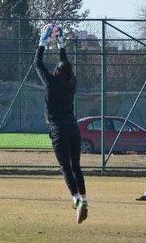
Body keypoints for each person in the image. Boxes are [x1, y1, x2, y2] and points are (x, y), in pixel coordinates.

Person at [34, 24, 88, 224]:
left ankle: (76, 199)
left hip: (58, 128)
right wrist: (61, 44)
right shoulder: (71, 82)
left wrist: (42, 42)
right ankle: (84, 199)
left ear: (56, 71)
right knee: (77, 166)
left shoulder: (52, 82)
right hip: (74, 127)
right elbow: (65, 63)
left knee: (65, 167)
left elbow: (37, 63)